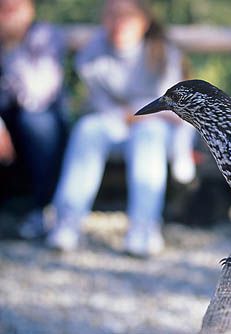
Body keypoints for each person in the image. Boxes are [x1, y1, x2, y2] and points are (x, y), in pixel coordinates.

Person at [46, 0, 195, 256]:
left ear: (144, 21)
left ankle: (144, 227)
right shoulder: (92, 52)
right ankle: (67, 221)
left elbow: (177, 110)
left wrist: (182, 153)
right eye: (112, 16)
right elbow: (99, 105)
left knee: (148, 134)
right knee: (87, 128)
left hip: (158, 130)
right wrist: (131, 114)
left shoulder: (163, 53)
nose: (118, 24)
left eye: (126, 17)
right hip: (114, 123)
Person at [0, 0, 66, 238]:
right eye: (3, 8)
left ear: (30, 10)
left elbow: (37, 95)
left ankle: (42, 208)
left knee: (36, 122)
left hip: (41, 121)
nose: (8, 15)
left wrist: (11, 47)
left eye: (14, 8)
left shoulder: (46, 36)